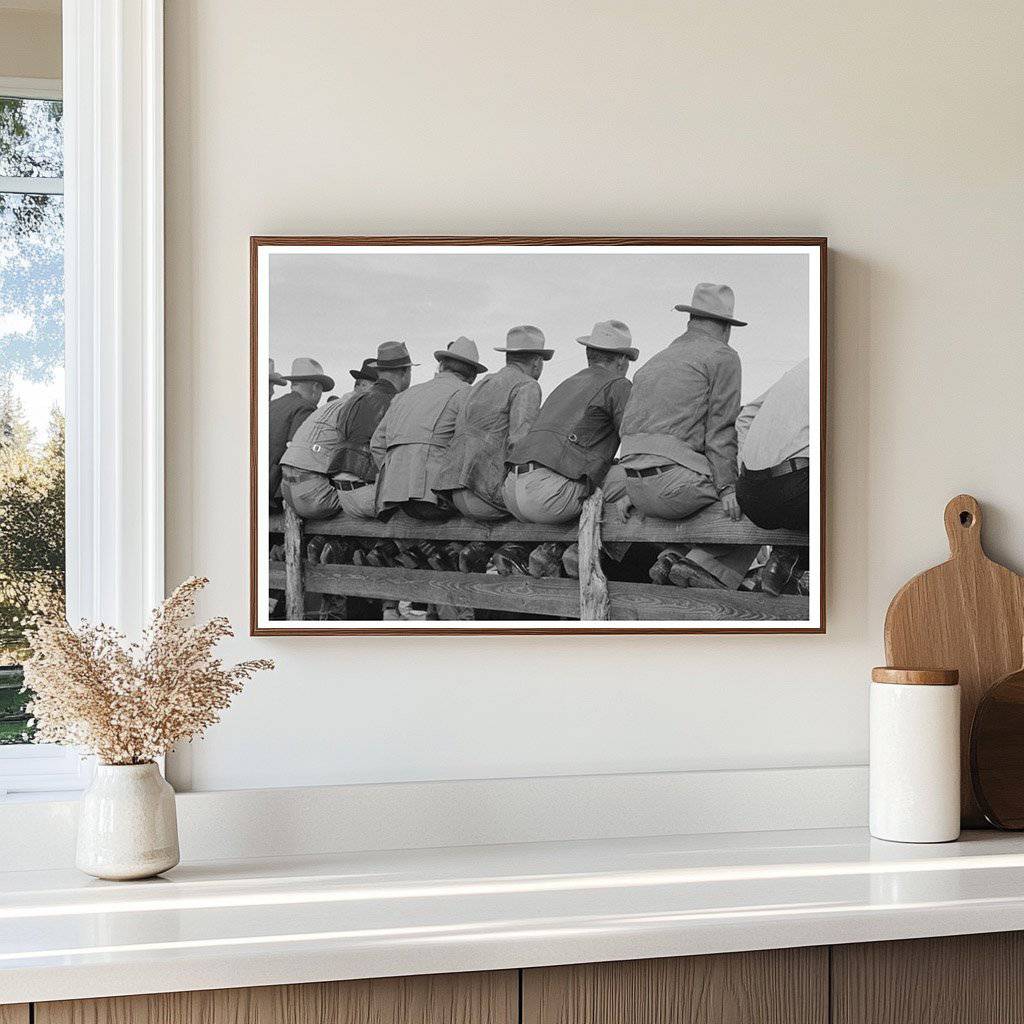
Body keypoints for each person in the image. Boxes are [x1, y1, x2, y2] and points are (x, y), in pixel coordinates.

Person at [617, 283, 756, 589]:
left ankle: (669, 558)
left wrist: (635, 489)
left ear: (691, 320)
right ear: (725, 327)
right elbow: (721, 431)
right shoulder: (723, 355)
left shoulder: (655, 361)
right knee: (756, 498)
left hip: (635, 488)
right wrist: (729, 488)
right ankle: (703, 564)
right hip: (674, 488)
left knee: (699, 492)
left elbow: (632, 430)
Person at [503, 320, 636, 525]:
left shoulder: (566, 383)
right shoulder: (618, 384)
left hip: (511, 492)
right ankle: (584, 553)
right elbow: (635, 440)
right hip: (546, 498)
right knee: (645, 478)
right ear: (620, 359)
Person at [279, 342, 413, 520]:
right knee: (401, 505)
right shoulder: (382, 402)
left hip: (286, 488)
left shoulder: (342, 404)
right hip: (314, 492)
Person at [433, 324, 550, 521]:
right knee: (551, 505)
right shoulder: (527, 385)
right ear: (537, 362)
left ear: (508, 357)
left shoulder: (481, 384)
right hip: (486, 497)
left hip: (456, 492)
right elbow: (520, 444)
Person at [371, 337, 487, 520]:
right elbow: (474, 446)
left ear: (441, 366)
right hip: (433, 498)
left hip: (391, 498)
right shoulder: (468, 394)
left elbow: (377, 444)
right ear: (473, 375)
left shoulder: (404, 395)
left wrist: (395, 476)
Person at [735, 357, 811, 595]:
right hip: (794, 489)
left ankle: (786, 563)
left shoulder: (800, 370)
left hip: (748, 493)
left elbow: (746, 414)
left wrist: (747, 469)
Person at [268, 357, 333, 508]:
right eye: (321, 390)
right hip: (276, 493)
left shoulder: (273, 405)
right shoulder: (305, 408)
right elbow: (298, 453)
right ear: (316, 387)